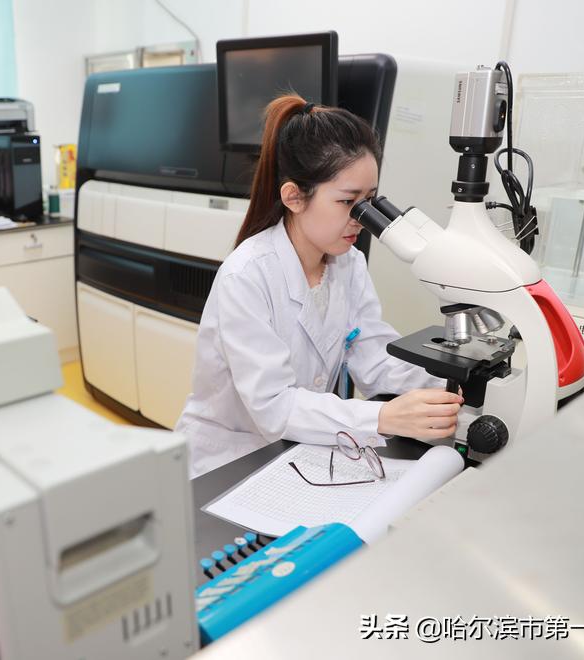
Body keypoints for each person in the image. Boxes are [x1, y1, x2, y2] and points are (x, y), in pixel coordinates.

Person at [175, 95, 463, 477]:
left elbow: (373, 356)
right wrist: (384, 416)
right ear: (294, 197)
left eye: (370, 200)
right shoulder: (246, 275)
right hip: (229, 460)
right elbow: (274, 408)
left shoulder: (348, 264)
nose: (363, 217)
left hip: (300, 451)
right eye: (348, 201)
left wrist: (452, 381)